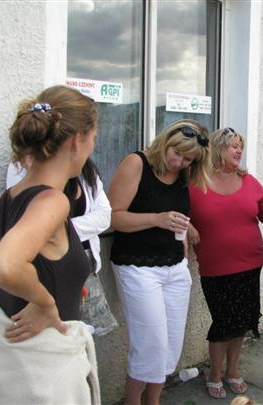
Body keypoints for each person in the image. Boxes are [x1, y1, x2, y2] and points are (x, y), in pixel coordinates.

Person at [0, 86, 100, 404]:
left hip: (5, 358)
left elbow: (22, 268)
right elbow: (3, 266)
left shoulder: (6, 199)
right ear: (76, 141)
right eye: (94, 137)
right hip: (40, 371)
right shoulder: (53, 201)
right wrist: (45, 303)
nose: (93, 146)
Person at [108, 119, 211, 405]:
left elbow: (174, 211)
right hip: (137, 267)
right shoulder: (136, 163)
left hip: (174, 267)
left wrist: (185, 228)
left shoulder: (182, 172)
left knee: (170, 347)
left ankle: (153, 401)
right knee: (149, 346)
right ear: (166, 142)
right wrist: (157, 219)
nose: (179, 163)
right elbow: (113, 217)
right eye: (176, 153)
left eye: (188, 159)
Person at [188, 127, 263, 400]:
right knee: (223, 323)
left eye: (240, 146)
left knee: (241, 322)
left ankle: (232, 370)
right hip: (216, 267)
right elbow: (179, 212)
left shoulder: (248, 180)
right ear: (218, 148)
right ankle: (215, 373)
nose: (239, 150)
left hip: (250, 263)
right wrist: (187, 227)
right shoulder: (197, 182)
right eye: (233, 145)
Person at [6, 158, 116, 336]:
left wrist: (57, 231)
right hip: (46, 272)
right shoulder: (24, 167)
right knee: (54, 336)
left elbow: (104, 216)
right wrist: (55, 231)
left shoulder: (85, 168)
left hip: (83, 270)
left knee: (81, 337)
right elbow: (26, 224)